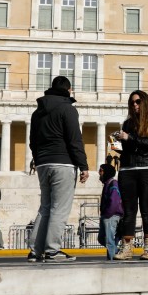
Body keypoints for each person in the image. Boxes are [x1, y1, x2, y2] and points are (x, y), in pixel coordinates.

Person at [28, 75, 90, 263]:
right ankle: (52, 250)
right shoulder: (67, 109)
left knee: (45, 207)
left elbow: (33, 142)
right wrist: (83, 165)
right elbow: (74, 140)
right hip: (63, 163)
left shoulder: (37, 112)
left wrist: (39, 160)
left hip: (43, 164)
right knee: (59, 209)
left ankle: (35, 251)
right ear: (68, 90)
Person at [114, 90, 148, 261]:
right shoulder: (127, 124)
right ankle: (127, 248)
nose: (135, 105)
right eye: (132, 102)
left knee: (147, 210)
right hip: (127, 170)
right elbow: (131, 147)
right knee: (128, 211)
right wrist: (119, 142)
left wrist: (130, 138)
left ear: (145, 103)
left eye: (138, 101)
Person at [98, 162, 124, 260]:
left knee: (109, 240)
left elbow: (115, 200)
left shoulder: (113, 183)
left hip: (111, 215)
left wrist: (108, 213)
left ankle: (112, 260)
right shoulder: (107, 183)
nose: (99, 173)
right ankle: (115, 251)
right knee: (101, 239)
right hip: (106, 215)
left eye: (101, 170)